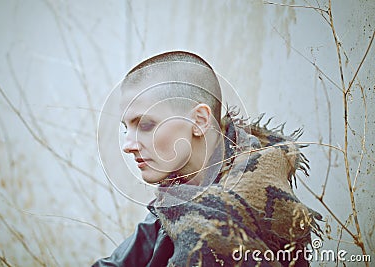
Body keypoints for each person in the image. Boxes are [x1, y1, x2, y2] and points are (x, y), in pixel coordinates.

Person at [92, 51, 321, 267]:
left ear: (199, 120)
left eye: (146, 125)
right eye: (126, 128)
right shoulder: (182, 196)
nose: (128, 146)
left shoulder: (227, 220)